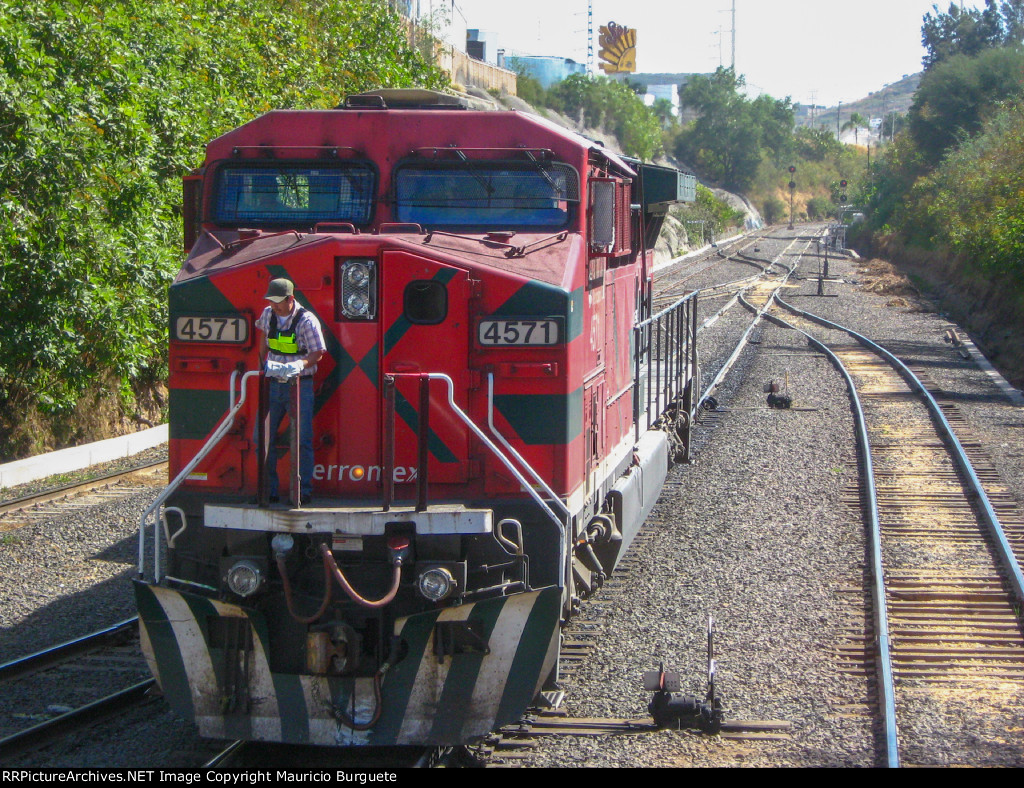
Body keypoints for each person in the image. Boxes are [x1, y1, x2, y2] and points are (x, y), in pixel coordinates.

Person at [255, 278, 326, 504]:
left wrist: (299, 365)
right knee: (262, 437)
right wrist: (263, 364)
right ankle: (270, 490)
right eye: (271, 301)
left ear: (290, 299)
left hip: (300, 385)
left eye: (278, 302)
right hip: (274, 383)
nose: (274, 306)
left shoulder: (307, 321)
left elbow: (318, 352)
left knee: (303, 440)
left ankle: (303, 491)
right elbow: (263, 340)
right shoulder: (268, 315)